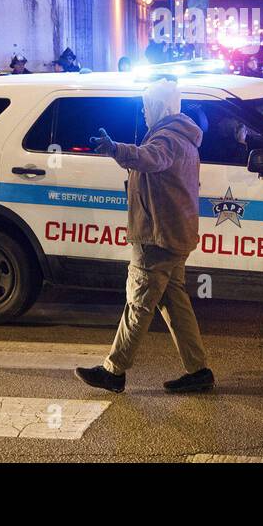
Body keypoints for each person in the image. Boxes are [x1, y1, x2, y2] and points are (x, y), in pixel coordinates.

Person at [75, 78, 213, 394]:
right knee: (174, 302)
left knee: (138, 302)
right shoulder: (183, 137)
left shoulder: (168, 139)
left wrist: (114, 149)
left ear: (159, 107)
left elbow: (148, 157)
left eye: (146, 104)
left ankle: (114, 371)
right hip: (175, 234)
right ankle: (198, 369)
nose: (143, 111)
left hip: (157, 237)